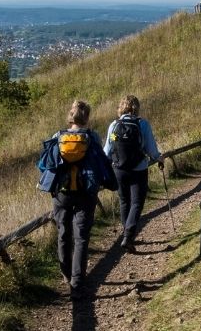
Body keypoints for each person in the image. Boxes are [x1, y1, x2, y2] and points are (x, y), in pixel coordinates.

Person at [48, 100, 109, 299]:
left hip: (62, 193)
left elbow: (46, 164)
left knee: (63, 234)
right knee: (81, 237)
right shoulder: (92, 137)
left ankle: (66, 273)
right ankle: (77, 283)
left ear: (71, 116)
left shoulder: (58, 136)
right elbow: (102, 161)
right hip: (86, 192)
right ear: (87, 117)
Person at [104, 95, 164, 253]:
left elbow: (108, 149)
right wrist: (158, 158)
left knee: (124, 201)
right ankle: (128, 236)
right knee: (137, 203)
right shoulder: (142, 124)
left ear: (121, 108)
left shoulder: (114, 125)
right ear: (136, 108)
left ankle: (126, 235)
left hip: (119, 170)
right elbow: (151, 148)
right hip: (138, 168)